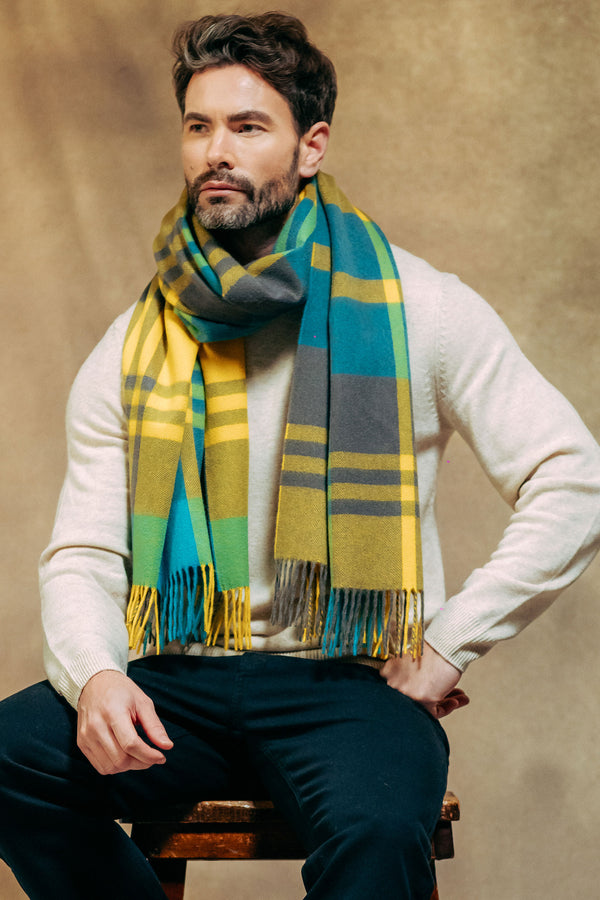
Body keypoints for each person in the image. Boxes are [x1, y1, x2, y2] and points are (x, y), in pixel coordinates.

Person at [1, 12, 599, 900]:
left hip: (346, 682)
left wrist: (448, 643)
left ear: (310, 146)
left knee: (376, 831)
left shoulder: (419, 309)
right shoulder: (133, 343)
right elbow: (87, 551)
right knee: (10, 760)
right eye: (199, 126)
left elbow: (574, 480)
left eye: (248, 127)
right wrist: (94, 676)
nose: (216, 151)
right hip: (180, 677)